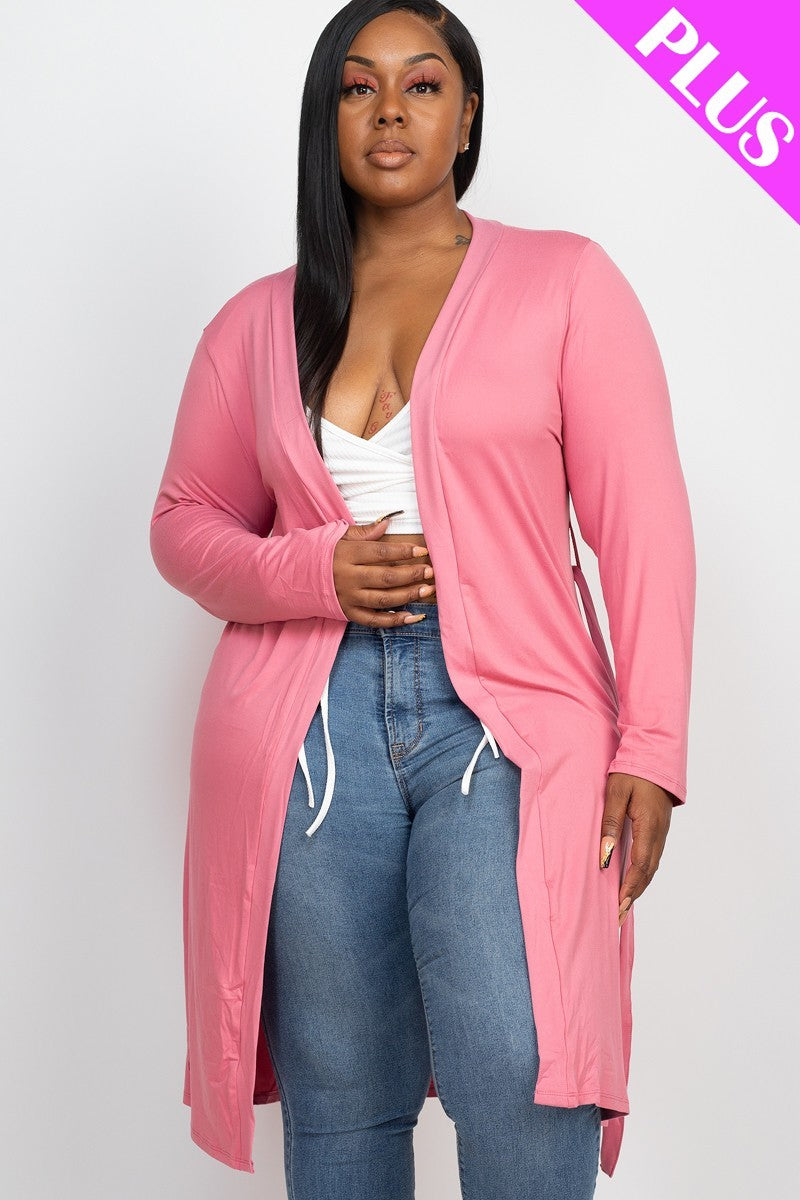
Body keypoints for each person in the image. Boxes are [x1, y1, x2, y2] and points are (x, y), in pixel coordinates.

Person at [149, 1, 696, 1196]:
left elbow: (643, 529)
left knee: (521, 1056)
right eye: (358, 87)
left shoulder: (564, 283)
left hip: (506, 718)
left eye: (422, 84)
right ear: (326, 116)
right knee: (341, 1083)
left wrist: (650, 747)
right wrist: (313, 571)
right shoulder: (257, 321)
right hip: (305, 726)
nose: (390, 112)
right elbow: (183, 524)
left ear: (467, 115)